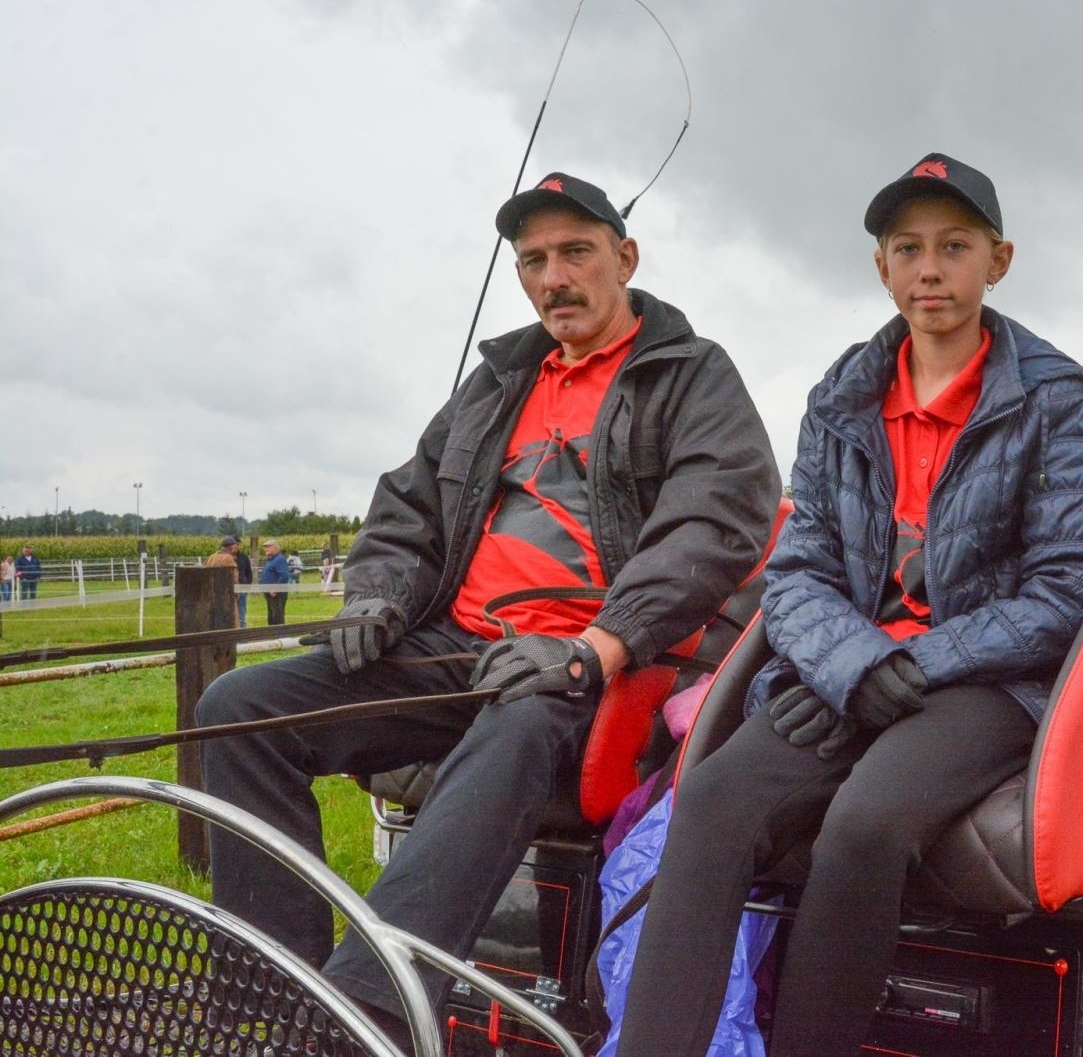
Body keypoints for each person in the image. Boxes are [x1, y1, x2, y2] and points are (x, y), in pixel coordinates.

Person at [196, 170, 781, 1037]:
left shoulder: (690, 377)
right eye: (533, 259)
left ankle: (367, 1013)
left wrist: (598, 643)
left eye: (576, 253)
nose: (554, 277)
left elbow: (714, 523)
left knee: (518, 721)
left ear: (625, 258)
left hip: (595, 671)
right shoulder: (499, 382)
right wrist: (376, 598)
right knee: (238, 709)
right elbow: (409, 508)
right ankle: (270, 1005)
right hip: (456, 645)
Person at [618, 153, 1083, 1057]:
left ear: (997, 262)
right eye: (908, 248)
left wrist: (909, 663)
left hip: (988, 682)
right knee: (717, 797)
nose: (931, 269)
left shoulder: (1049, 400)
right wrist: (853, 664)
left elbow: (1068, 588)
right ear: (881, 267)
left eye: (954, 247)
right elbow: (800, 569)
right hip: (854, 667)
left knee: (867, 823)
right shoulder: (841, 396)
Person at [205, 538, 243, 626]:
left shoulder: (212, 556)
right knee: (231, 620)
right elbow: (234, 576)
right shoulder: (228, 558)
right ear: (232, 547)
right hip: (226, 594)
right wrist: (236, 592)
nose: (237, 548)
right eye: (235, 546)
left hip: (212, 593)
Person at [259, 538, 291, 626]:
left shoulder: (279, 559)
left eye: (268, 547)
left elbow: (284, 576)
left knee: (277, 616)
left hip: (276, 593)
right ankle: (272, 635)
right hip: (269, 592)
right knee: (271, 615)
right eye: (265, 547)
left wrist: (276, 589)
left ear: (275, 548)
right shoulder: (270, 559)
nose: (265, 549)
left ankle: (279, 635)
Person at [232, 538, 253, 627]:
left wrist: (247, 587)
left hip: (241, 589)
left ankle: (242, 637)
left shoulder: (244, 557)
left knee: (241, 614)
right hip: (229, 590)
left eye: (238, 544)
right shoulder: (225, 557)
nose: (236, 546)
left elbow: (249, 573)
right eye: (234, 544)